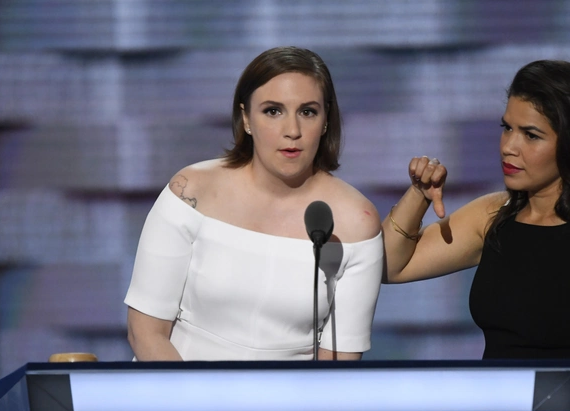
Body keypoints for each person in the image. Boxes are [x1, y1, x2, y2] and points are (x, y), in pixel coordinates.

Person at [383, 59, 570, 367]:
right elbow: (388, 266)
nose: (509, 147)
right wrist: (419, 194)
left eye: (530, 135)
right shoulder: (492, 215)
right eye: (507, 128)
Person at [124, 46, 383, 361]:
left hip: (290, 408)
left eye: (308, 111)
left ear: (326, 121)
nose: (292, 131)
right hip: (175, 399)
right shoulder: (190, 192)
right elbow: (145, 331)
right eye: (273, 111)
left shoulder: (355, 221)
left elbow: (338, 365)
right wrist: (195, 408)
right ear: (245, 118)